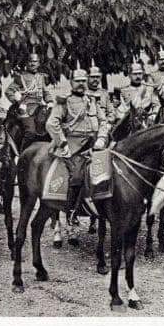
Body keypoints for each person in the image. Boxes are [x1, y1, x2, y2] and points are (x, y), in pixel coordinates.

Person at [46, 64, 109, 214]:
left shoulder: (91, 100)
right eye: (77, 81)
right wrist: (62, 144)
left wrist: (101, 138)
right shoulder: (64, 102)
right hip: (72, 145)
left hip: (93, 143)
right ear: (71, 82)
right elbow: (51, 123)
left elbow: (103, 121)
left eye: (83, 81)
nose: (81, 84)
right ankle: (72, 209)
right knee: (76, 176)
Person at [86, 60, 115, 130]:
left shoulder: (104, 93)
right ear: (87, 77)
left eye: (97, 77)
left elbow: (111, 112)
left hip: (103, 127)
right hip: (87, 129)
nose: (95, 79)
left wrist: (108, 123)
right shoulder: (83, 94)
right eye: (92, 77)